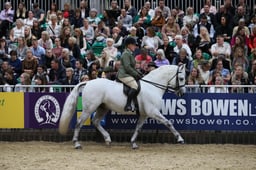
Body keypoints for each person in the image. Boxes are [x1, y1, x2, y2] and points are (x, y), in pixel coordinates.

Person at [117, 37, 143, 112]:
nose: (135, 46)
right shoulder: (126, 54)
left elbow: (132, 67)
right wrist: (136, 74)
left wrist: (139, 73)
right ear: (129, 45)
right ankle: (128, 105)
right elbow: (127, 67)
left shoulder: (130, 54)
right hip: (124, 74)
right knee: (134, 85)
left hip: (128, 73)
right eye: (133, 45)